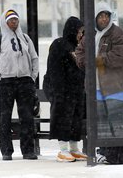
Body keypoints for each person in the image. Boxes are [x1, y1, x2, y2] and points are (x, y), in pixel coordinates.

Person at [75, 2, 123, 164]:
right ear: (95, 18)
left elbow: (120, 56)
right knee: (100, 122)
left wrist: (98, 60)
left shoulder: (118, 34)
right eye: (101, 16)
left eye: (106, 16)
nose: (104, 19)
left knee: (116, 121)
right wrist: (86, 61)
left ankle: (119, 154)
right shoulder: (90, 35)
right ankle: (104, 152)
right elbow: (79, 52)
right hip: (96, 88)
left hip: (115, 87)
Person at [0, 9, 39, 161]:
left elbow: (34, 59)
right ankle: (6, 151)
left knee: (27, 118)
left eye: (16, 20)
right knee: (4, 119)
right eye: (11, 20)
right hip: (6, 83)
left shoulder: (25, 38)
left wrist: (32, 77)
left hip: (24, 82)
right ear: (5, 22)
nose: (14, 22)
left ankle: (28, 151)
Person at [44, 16, 87, 162]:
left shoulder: (79, 46)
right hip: (62, 90)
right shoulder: (59, 44)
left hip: (76, 90)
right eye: (79, 31)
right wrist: (58, 91)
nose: (81, 34)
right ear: (72, 30)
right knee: (63, 118)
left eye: (83, 32)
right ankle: (63, 150)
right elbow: (53, 69)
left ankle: (74, 149)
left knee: (75, 119)